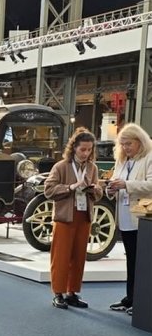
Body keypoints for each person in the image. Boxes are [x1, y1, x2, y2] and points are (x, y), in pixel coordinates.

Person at [44, 127, 103, 310]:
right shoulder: (61, 166)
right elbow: (48, 190)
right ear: (74, 148)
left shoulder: (92, 168)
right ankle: (58, 293)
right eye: (82, 149)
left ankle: (72, 293)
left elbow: (99, 193)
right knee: (61, 257)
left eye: (89, 150)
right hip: (64, 217)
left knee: (78, 257)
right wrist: (70, 187)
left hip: (84, 216)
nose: (86, 153)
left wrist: (95, 190)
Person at [106, 123, 152, 316]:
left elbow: (151, 185)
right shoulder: (122, 160)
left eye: (129, 144)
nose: (125, 148)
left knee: (142, 262)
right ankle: (130, 298)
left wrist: (126, 184)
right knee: (131, 260)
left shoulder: (149, 157)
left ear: (140, 141)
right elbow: (116, 183)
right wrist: (111, 189)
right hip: (125, 218)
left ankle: (140, 300)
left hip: (142, 218)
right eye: (122, 144)